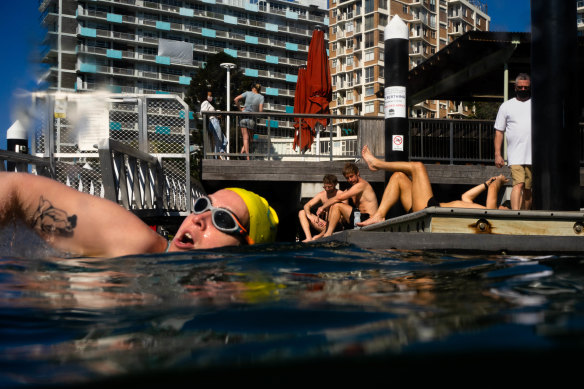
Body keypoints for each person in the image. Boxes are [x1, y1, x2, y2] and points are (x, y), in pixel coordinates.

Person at [0, 172, 278, 257]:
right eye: (202, 205)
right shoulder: (135, 243)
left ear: (247, 250)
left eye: (223, 220)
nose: (198, 218)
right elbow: (15, 189)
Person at [356, 145, 509, 227]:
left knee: (417, 166)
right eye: (505, 206)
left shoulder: (491, 212)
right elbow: (466, 197)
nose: (504, 207)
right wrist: (486, 183)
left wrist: (498, 181)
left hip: (431, 209)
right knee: (398, 177)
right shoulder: (474, 207)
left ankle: (377, 163)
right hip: (425, 206)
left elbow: (493, 194)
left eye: (506, 208)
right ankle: (378, 216)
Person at [494, 73, 532, 210]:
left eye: (526, 87)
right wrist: (498, 154)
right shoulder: (506, 106)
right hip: (515, 154)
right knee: (518, 184)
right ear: (515, 87)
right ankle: (515, 215)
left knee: (528, 189)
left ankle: (525, 215)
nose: (523, 89)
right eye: (520, 87)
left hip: (533, 155)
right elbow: (499, 131)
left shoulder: (537, 105)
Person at [315, 162, 378, 237]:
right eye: (347, 178)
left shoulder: (362, 185)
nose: (350, 180)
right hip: (359, 218)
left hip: (369, 219)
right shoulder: (352, 188)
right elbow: (336, 198)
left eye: (351, 176)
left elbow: (339, 198)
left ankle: (328, 234)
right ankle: (327, 231)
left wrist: (322, 207)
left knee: (337, 205)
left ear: (357, 173)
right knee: (333, 205)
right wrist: (324, 209)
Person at [298, 174, 346, 242]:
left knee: (334, 213)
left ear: (335, 184)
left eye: (329, 187)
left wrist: (329, 220)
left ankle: (319, 236)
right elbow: (306, 205)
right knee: (302, 212)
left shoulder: (341, 194)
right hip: (324, 224)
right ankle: (309, 238)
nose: (327, 189)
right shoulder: (322, 194)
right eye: (325, 187)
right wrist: (309, 216)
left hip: (337, 225)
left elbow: (343, 217)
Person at [234, 83, 264, 160]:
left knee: (245, 138)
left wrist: (240, 109)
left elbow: (236, 99)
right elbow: (260, 111)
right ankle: (244, 154)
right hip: (252, 118)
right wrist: (257, 114)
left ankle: (245, 155)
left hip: (243, 116)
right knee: (250, 138)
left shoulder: (247, 93)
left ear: (253, 88)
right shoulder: (261, 97)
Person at [200, 91, 227, 157]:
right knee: (219, 140)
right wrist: (215, 113)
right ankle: (217, 156)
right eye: (209, 95)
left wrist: (217, 113)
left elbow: (210, 112)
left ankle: (220, 153)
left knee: (225, 141)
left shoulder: (209, 104)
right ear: (206, 96)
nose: (211, 97)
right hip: (213, 121)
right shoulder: (205, 102)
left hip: (215, 120)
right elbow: (202, 112)